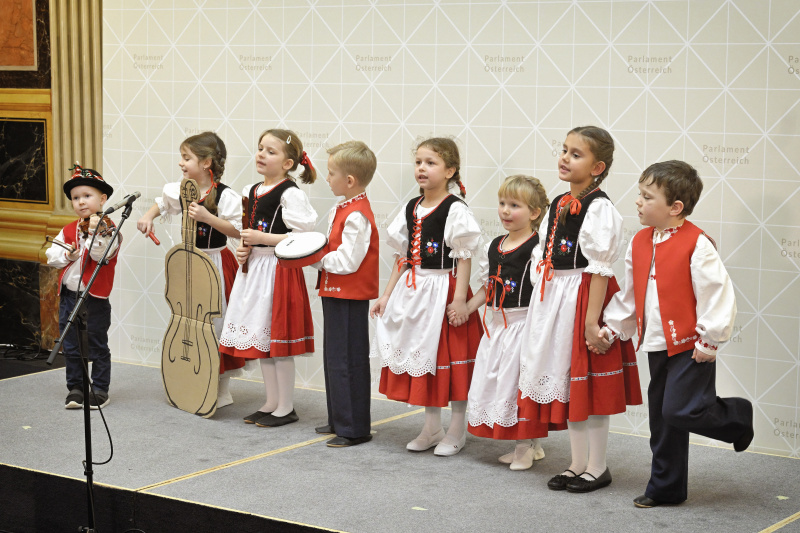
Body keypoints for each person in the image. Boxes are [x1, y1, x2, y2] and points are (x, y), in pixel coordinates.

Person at [598, 160, 753, 508]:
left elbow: (717, 293)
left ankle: (738, 417)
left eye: (647, 196)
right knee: (663, 418)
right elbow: (631, 294)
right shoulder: (639, 241)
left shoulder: (697, 244)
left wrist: (709, 340)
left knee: (681, 411)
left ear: (675, 207)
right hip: (655, 344)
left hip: (690, 345)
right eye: (640, 194)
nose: (638, 201)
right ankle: (665, 488)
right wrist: (613, 326)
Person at [517, 126, 642, 493]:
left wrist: (591, 322)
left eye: (576, 154)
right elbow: (544, 254)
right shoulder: (557, 202)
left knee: (588, 386)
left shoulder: (600, 207)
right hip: (555, 296)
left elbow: (600, 268)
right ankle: (575, 463)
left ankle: (598, 466)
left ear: (597, 166)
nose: (565, 158)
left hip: (585, 294)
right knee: (566, 381)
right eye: (564, 150)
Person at [370, 137, 483, 457]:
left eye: (431, 163)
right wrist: (387, 295)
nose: (422, 168)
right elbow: (402, 258)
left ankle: (457, 430)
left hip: (443, 291)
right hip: (413, 291)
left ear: (450, 170)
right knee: (425, 362)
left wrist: (460, 300)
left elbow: (464, 257)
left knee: (451, 361)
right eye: (419, 162)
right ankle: (432, 427)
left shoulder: (455, 209)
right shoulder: (411, 208)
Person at [137, 131, 245, 408]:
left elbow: (237, 230)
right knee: (188, 322)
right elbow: (163, 204)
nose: (181, 163)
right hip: (188, 265)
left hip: (215, 263)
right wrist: (148, 217)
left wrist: (209, 218)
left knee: (216, 324)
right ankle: (191, 379)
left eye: (187, 158)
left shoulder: (226, 196)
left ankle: (220, 387)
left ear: (207, 163)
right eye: (181, 158)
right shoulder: (180, 189)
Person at [218, 128, 317, 427]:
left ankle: (286, 406)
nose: (261, 154)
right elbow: (245, 230)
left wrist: (263, 238)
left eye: (271, 151)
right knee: (261, 339)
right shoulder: (250, 190)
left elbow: (303, 236)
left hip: (278, 270)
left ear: (288, 164)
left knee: (278, 342)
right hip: (254, 271)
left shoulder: (290, 193)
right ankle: (271, 402)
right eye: (261, 148)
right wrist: (243, 248)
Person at [459, 175, 550, 470]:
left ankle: (525, 444)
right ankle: (529, 444)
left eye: (515, 205)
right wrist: (467, 308)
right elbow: (488, 288)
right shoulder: (494, 245)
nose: (506, 211)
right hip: (497, 327)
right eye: (502, 204)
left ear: (535, 213)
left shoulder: (537, 247)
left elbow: (542, 289)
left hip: (523, 324)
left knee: (518, 384)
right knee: (499, 382)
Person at [314, 141, 379, 447]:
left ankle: (354, 427)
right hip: (336, 292)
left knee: (349, 359)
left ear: (349, 180)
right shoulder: (342, 208)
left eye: (331, 173)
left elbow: (347, 261)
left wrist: (313, 258)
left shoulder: (357, 215)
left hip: (350, 295)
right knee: (334, 357)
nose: (327, 179)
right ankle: (339, 417)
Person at [47, 164, 120, 409]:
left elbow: (101, 256)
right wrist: (68, 256)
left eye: (87, 196)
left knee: (97, 343)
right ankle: (76, 388)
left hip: (95, 297)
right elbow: (52, 256)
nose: (81, 202)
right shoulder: (68, 229)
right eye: (76, 198)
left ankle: (99, 389)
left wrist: (96, 233)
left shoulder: (110, 230)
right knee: (71, 344)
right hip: (69, 296)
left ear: (102, 199)